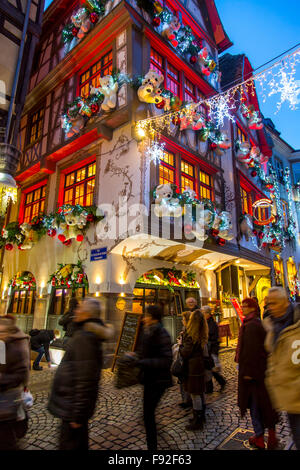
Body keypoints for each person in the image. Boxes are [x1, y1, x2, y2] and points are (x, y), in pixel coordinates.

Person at [48, 298, 114, 450]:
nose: (76, 311)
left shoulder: (85, 337)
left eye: (80, 309)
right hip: (70, 407)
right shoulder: (83, 333)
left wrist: (78, 415)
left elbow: (86, 380)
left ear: (86, 313)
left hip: (72, 409)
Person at [235, 298, 278, 450]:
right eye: (242, 306)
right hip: (260, 371)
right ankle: (271, 435)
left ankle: (260, 436)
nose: (243, 308)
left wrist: (247, 372)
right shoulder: (254, 323)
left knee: (255, 406)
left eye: (245, 306)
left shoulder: (251, 325)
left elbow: (250, 351)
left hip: (253, 374)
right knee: (266, 405)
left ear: (252, 308)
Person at [132, 305, 173, 452]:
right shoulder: (147, 331)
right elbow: (145, 352)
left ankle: (153, 447)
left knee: (148, 415)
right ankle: (154, 439)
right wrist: (136, 356)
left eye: (147, 315)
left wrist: (142, 362)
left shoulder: (161, 333)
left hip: (158, 380)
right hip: (150, 379)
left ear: (154, 318)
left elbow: (166, 360)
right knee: (147, 414)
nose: (144, 318)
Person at [264, 287, 300, 450]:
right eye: (268, 303)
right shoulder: (273, 325)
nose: (270, 307)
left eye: (274, 303)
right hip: (289, 400)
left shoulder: (295, 323)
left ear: (286, 303)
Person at [0, 315, 30, 450]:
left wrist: (2, 379)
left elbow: (22, 374)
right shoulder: (2, 345)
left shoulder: (17, 347)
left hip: (9, 401)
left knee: (8, 439)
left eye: (2, 332)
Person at [179, 309, 208, 431]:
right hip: (199, 365)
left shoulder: (191, 335)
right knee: (199, 392)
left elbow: (186, 352)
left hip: (192, 367)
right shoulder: (202, 333)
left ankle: (198, 421)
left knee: (194, 394)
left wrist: (180, 345)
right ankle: (200, 417)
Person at [202, 305, 226, 393]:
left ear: (208, 313)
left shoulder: (211, 323)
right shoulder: (206, 322)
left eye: (203, 312)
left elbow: (212, 337)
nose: (202, 314)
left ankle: (221, 382)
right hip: (209, 348)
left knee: (211, 368)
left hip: (212, 348)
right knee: (209, 368)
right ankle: (211, 387)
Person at [176, 311, 192, 408]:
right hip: (184, 359)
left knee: (186, 381)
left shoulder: (190, 331)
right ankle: (185, 400)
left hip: (188, 361)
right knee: (182, 381)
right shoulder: (185, 329)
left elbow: (187, 349)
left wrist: (180, 344)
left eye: (183, 319)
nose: (182, 321)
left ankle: (188, 401)